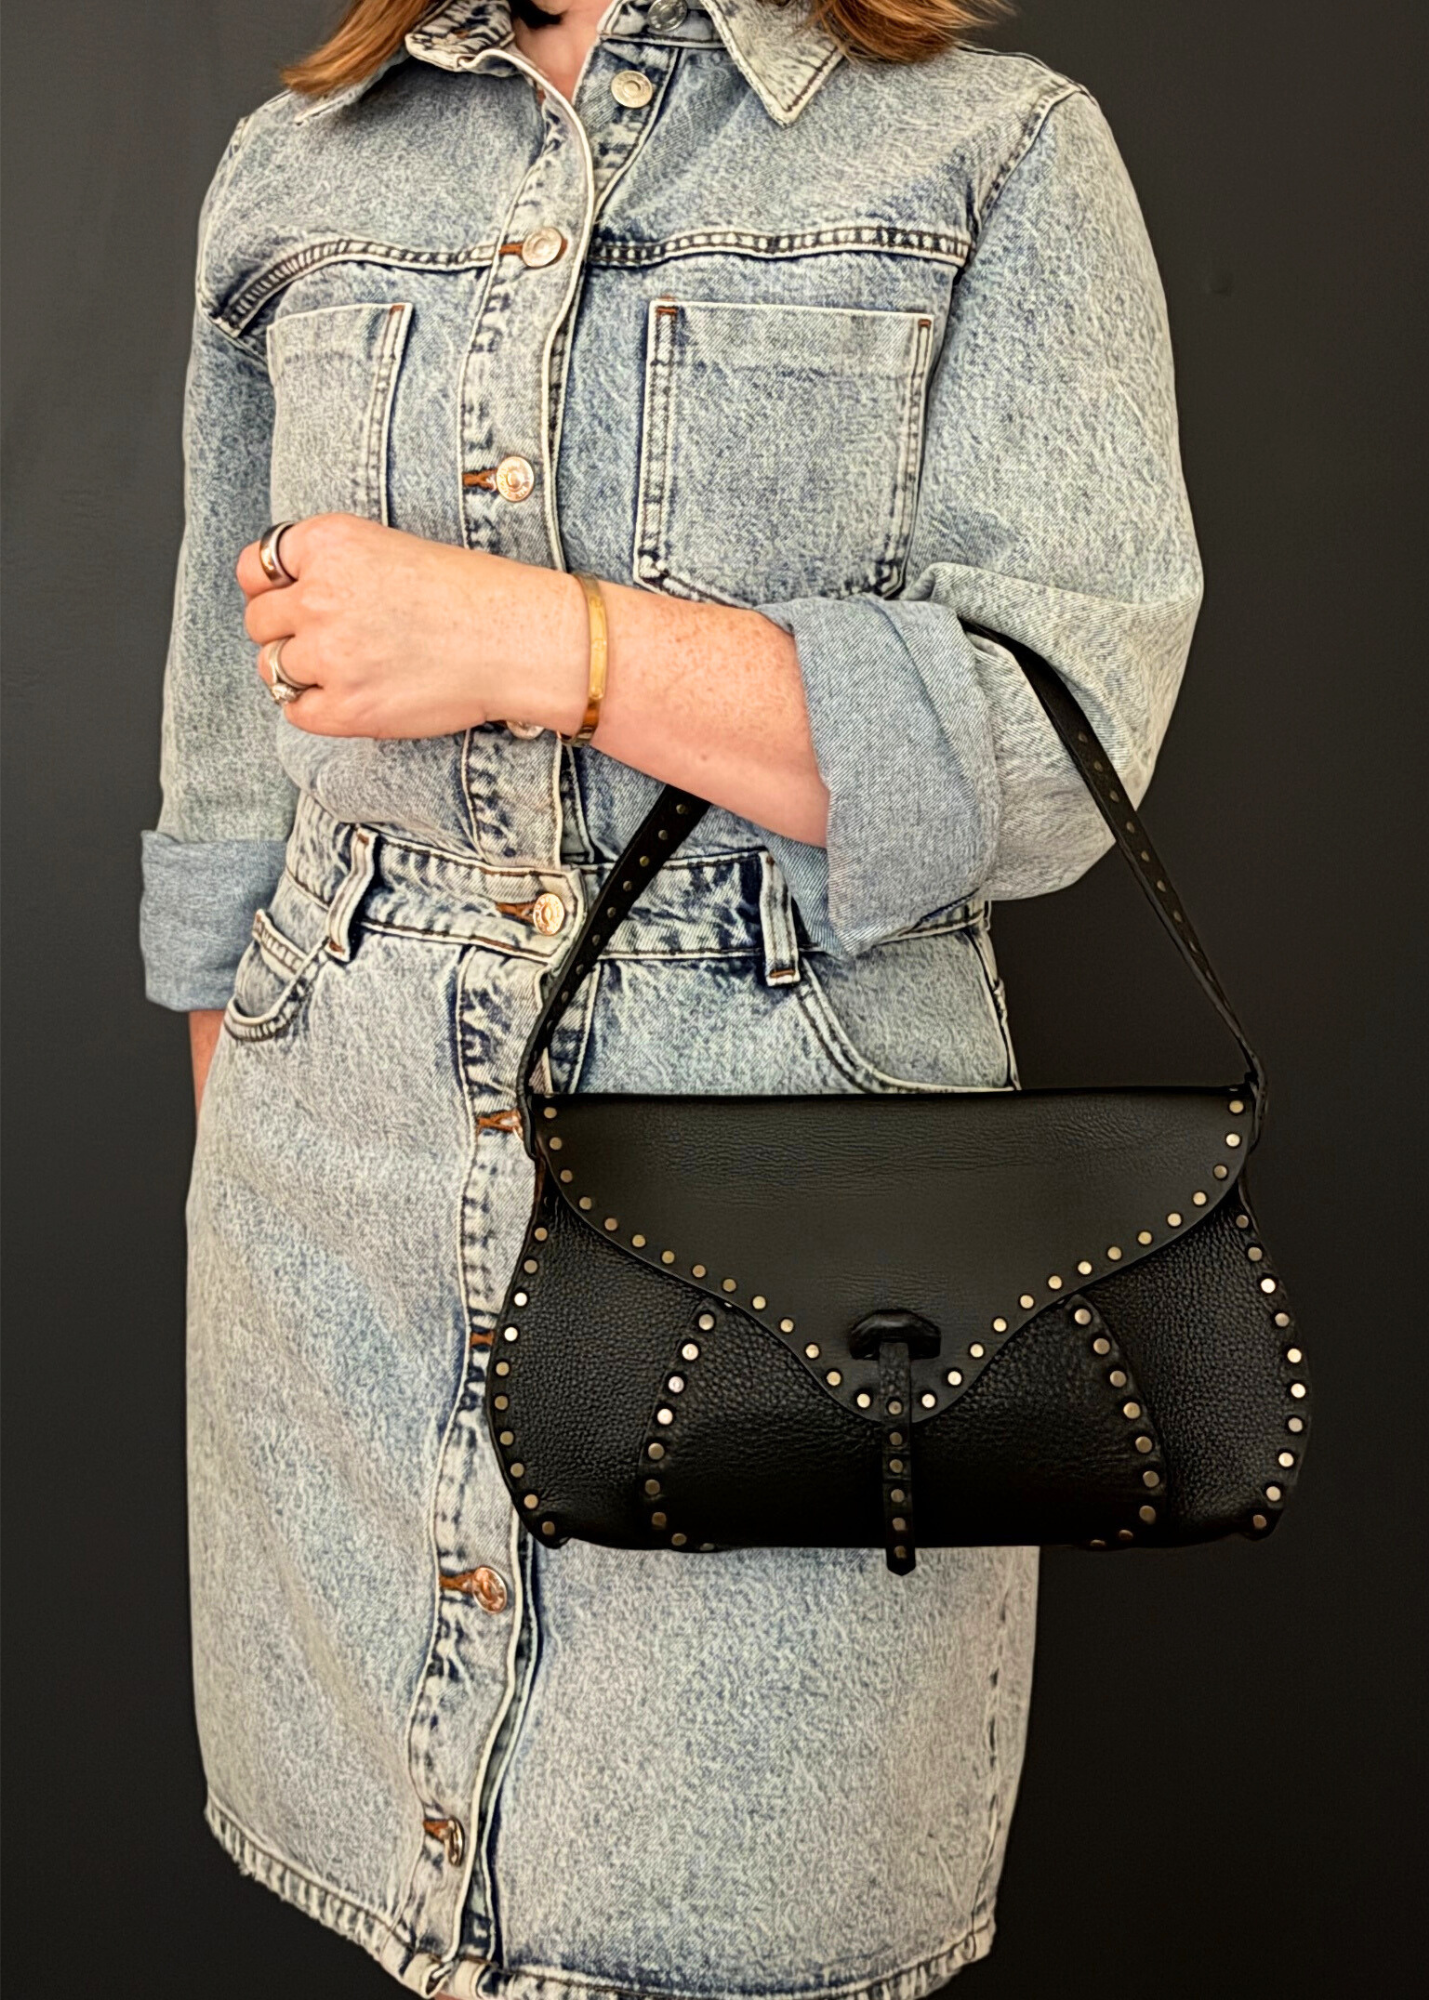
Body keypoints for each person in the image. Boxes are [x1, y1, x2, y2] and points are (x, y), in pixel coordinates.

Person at [139, 2, 1202, 1994]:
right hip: (337, 1235)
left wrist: (536, 638)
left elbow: (1054, 754)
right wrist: (246, 1149)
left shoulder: (989, 150)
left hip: (800, 1263)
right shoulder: (300, 164)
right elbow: (229, 757)